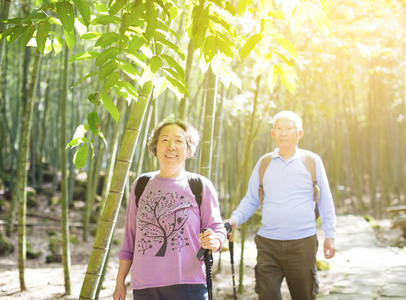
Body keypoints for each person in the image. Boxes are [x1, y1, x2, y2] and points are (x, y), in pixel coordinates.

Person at [224, 111, 336, 300]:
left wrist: (330, 235)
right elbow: (251, 199)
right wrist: (234, 219)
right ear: (272, 133)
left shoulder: (311, 161)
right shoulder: (264, 163)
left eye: (289, 129)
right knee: (267, 296)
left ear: (299, 133)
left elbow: (325, 200)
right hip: (268, 244)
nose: (283, 133)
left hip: (303, 243)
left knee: (304, 296)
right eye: (279, 129)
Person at [113, 119, 226, 300]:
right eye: (164, 140)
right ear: (155, 147)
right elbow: (130, 240)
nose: (171, 146)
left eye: (179, 141)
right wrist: (120, 282)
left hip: (189, 285)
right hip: (145, 287)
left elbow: (218, 228)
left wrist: (215, 241)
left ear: (188, 149)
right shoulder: (140, 185)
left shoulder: (199, 186)